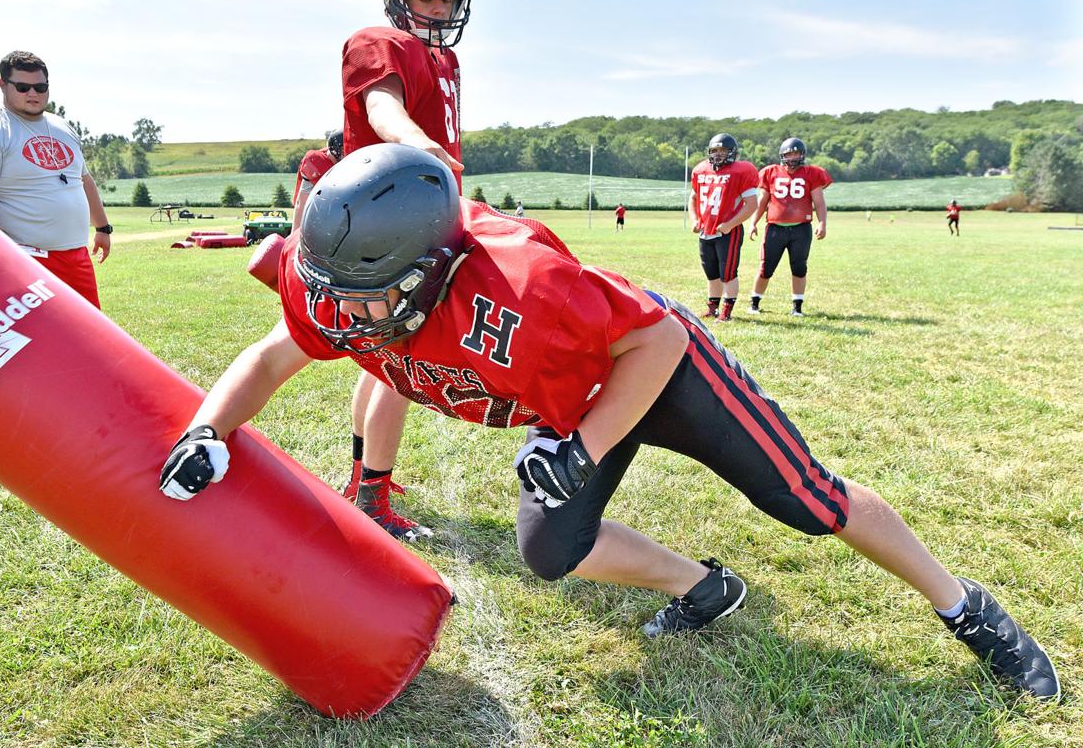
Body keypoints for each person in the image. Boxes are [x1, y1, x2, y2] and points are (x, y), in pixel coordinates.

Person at [160, 144, 1060, 702]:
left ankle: (968, 607)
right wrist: (208, 428)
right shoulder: (340, 286)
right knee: (553, 547)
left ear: (433, 267)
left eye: (368, 298)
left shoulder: (518, 292)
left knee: (809, 502)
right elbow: (275, 353)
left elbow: (658, 337)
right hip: (568, 401)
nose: (341, 318)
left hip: (653, 369)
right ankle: (702, 585)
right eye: (333, 293)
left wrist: (584, 442)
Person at [334, 0, 476, 541]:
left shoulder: (444, 59)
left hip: (415, 211)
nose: (439, 10)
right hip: (387, 217)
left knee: (380, 357)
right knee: (404, 360)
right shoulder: (378, 43)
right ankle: (371, 498)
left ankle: (365, 477)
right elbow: (383, 111)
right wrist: (427, 153)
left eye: (447, 0)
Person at [0, 51, 112, 308]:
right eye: (23, 87)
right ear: (2, 85)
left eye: (40, 87)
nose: (33, 93)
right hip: (26, 259)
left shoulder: (62, 127)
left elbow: (83, 180)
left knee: (86, 340)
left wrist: (103, 227)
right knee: (40, 341)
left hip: (76, 256)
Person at [747, 137, 831, 317]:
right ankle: (754, 303)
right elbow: (762, 202)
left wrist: (822, 222)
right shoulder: (771, 172)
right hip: (775, 228)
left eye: (796, 153)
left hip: (801, 229)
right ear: (782, 155)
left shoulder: (812, 173)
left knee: (799, 267)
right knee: (766, 267)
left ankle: (797, 306)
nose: (792, 157)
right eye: (789, 153)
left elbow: (820, 203)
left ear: (803, 155)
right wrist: (753, 222)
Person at [690, 133, 759, 322]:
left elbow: (752, 204)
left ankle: (726, 312)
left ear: (732, 152)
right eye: (715, 150)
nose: (719, 154)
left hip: (728, 230)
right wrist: (695, 219)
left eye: (723, 150)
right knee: (711, 272)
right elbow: (693, 198)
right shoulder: (701, 169)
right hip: (706, 230)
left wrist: (730, 225)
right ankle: (712, 308)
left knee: (727, 273)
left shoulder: (741, 171)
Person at [292, 129, 343, 227]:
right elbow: (301, 203)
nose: (349, 152)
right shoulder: (316, 161)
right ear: (334, 148)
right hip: (315, 213)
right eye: (344, 149)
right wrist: (295, 232)